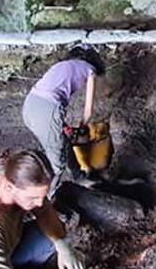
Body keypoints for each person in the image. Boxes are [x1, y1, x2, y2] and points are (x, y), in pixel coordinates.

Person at [22, 46, 105, 181]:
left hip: (29, 107)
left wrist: (64, 127)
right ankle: (47, 196)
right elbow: (88, 110)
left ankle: (79, 177)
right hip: (46, 111)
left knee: (64, 143)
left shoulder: (62, 65)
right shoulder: (90, 70)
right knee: (57, 164)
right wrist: (81, 127)